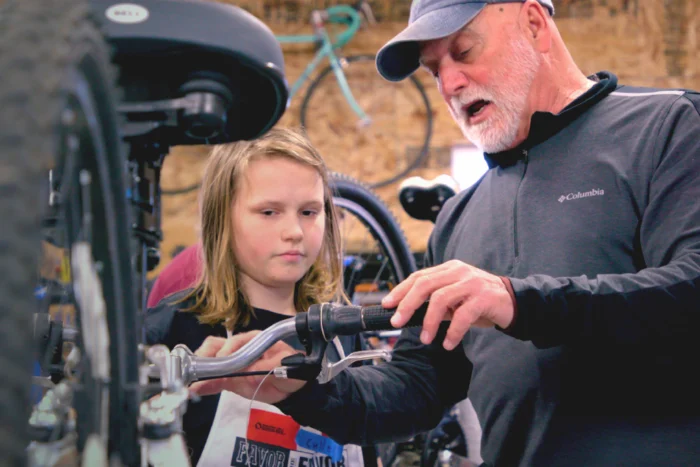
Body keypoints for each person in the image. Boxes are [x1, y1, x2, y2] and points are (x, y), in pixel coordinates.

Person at [184, 1, 700, 465]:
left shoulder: (667, 127)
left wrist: (515, 300)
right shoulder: (460, 217)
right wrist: (292, 388)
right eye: (435, 70)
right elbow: (415, 387)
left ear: (535, 24)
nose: (450, 84)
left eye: (464, 50)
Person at [145, 128, 372, 467]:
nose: (294, 231)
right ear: (222, 218)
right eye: (269, 212)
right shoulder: (172, 329)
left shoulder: (342, 334)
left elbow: (369, 444)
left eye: (309, 212)